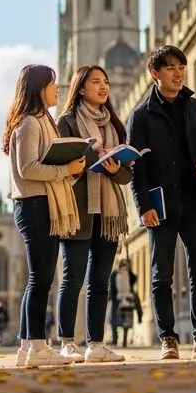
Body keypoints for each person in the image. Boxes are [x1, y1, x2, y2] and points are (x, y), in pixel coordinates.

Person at [127, 46, 196, 360]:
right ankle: (167, 338)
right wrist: (144, 206)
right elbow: (136, 167)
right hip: (161, 206)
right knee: (161, 277)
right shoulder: (140, 116)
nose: (178, 73)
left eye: (181, 67)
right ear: (154, 74)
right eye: (170, 68)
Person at [4, 64, 87, 367]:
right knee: (41, 280)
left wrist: (72, 167)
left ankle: (27, 346)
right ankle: (38, 346)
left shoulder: (42, 122)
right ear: (39, 88)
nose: (57, 90)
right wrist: (66, 169)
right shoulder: (29, 123)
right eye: (53, 84)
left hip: (39, 204)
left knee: (37, 280)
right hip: (35, 205)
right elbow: (28, 168)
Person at [53, 65, 134, 363]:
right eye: (96, 82)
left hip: (109, 212)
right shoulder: (66, 122)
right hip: (78, 209)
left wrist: (114, 168)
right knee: (73, 279)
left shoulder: (115, 125)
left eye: (106, 82)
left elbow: (126, 176)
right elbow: (60, 168)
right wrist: (88, 159)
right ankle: (67, 343)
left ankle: (96, 344)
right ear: (81, 88)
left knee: (100, 282)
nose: (103, 87)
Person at [108, 259, 142, 347]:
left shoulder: (129, 275)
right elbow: (111, 286)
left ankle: (125, 340)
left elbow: (134, 279)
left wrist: (129, 271)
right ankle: (115, 339)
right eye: (122, 265)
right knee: (114, 320)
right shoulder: (115, 274)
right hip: (116, 300)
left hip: (127, 300)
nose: (124, 267)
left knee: (126, 321)